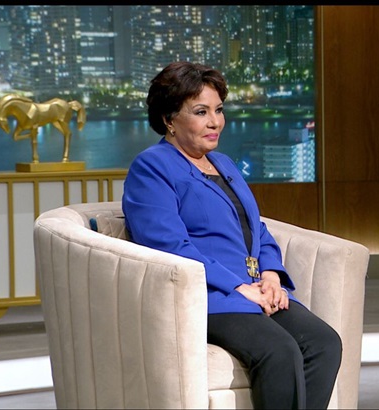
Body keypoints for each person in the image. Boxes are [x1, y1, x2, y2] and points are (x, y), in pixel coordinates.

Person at [121, 61, 342, 409]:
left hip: (254, 289)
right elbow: (168, 245)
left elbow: (257, 228)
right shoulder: (152, 167)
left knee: (324, 343)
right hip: (209, 296)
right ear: (169, 119)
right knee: (279, 350)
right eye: (201, 112)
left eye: (219, 110)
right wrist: (237, 286)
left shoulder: (223, 163)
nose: (215, 122)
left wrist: (271, 275)